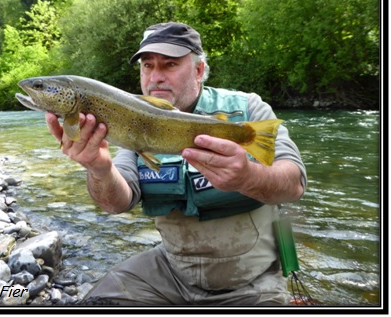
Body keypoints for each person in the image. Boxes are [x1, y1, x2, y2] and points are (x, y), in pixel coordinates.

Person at [45, 22, 307, 306]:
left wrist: (247, 177)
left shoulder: (248, 110)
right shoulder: (130, 119)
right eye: (148, 66)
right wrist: (99, 168)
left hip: (251, 281)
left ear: (198, 70)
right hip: (171, 274)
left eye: (169, 65)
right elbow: (116, 203)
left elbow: (294, 184)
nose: (156, 77)